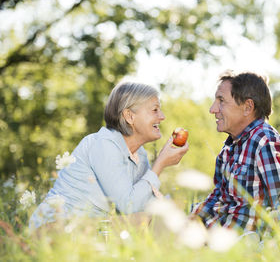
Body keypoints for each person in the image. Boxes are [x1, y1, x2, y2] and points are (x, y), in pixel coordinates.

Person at [30, 82, 189, 229]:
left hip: (91, 227)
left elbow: (145, 203)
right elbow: (128, 205)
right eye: (155, 110)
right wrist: (160, 164)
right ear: (129, 116)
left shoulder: (139, 155)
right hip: (56, 227)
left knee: (160, 220)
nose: (162, 116)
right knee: (147, 222)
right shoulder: (104, 144)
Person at [191, 71, 280, 236]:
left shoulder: (265, 144)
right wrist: (192, 220)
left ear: (247, 107)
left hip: (247, 248)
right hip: (219, 239)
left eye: (221, 101)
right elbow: (219, 197)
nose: (212, 109)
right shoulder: (229, 149)